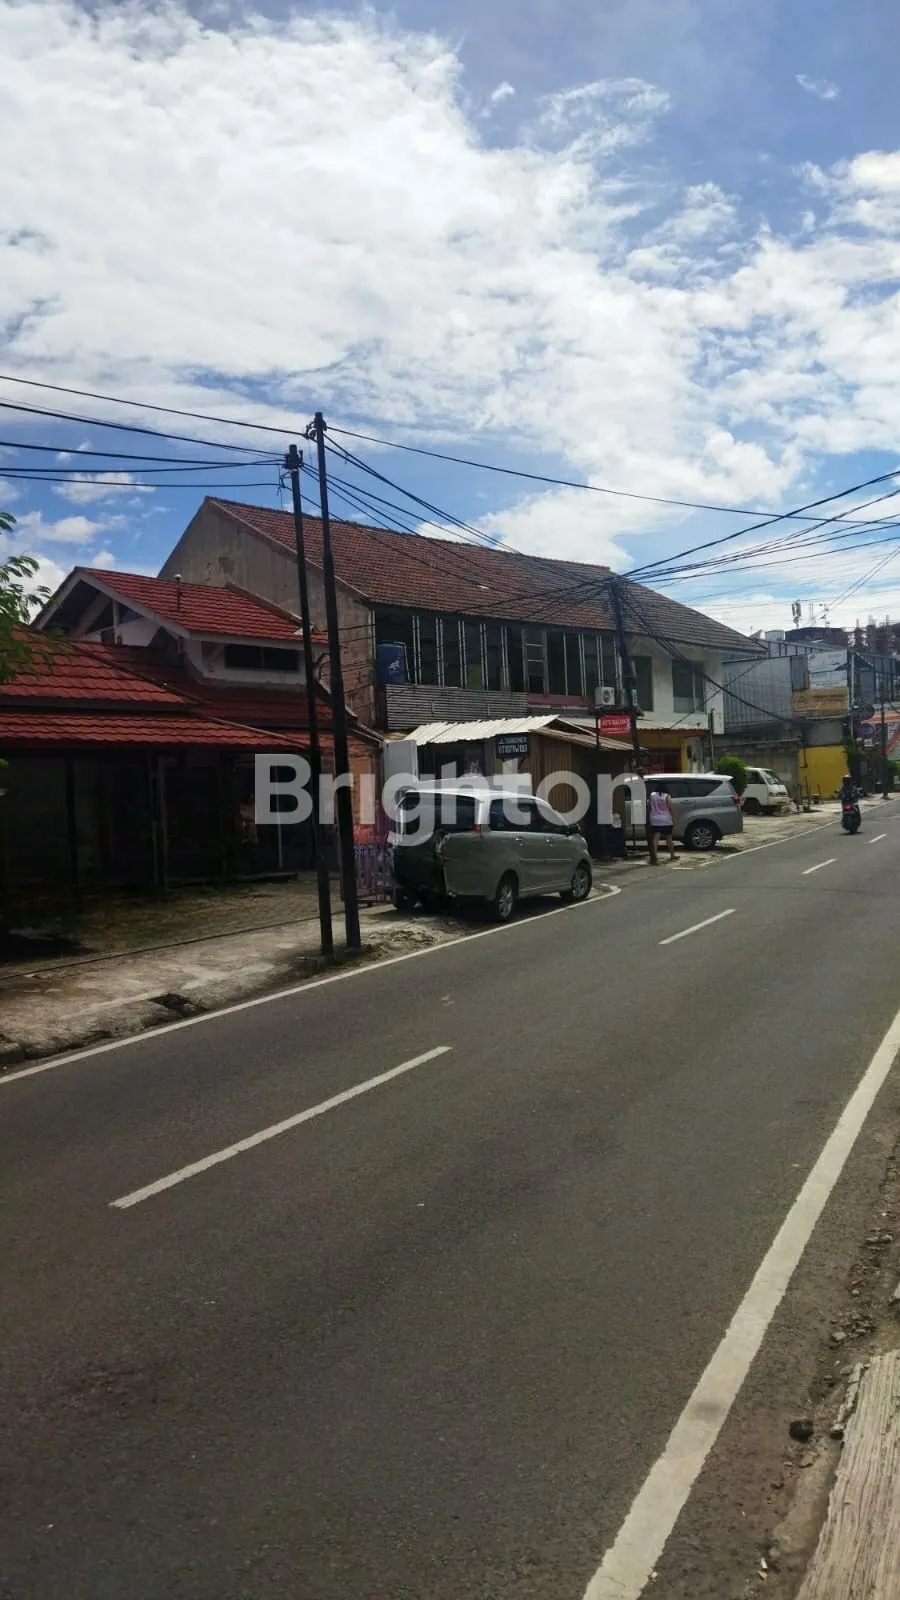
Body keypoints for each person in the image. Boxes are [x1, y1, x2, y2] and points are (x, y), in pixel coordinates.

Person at [648, 781, 676, 862]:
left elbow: (649, 806)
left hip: (654, 819)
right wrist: (673, 818)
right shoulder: (666, 796)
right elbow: (670, 808)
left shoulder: (652, 795)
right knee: (668, 838)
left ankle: (654, 856)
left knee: (655, 838)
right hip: (666, 819)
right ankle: (672, 855)